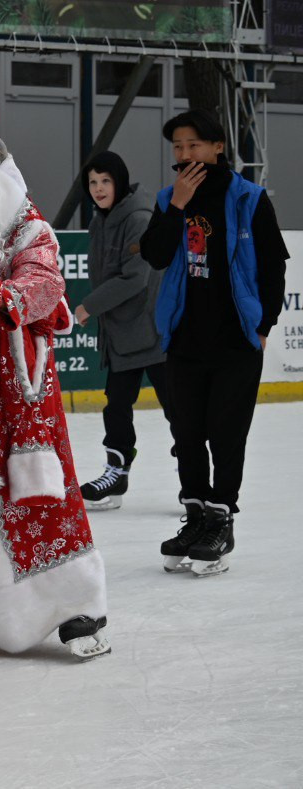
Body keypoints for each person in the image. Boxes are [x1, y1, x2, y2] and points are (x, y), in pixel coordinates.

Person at [0, 80, 110, 661]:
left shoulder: (19, 219)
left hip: (12, 393)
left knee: (31, 503)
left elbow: (45, 284)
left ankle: (73, 605)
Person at [139, 109, 289, 577]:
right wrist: (178, 205)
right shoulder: (171, 197)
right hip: (185, 338)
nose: (184, 155)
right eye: (178, 148)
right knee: (186, 435)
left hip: (235, 341)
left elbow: (273, 266)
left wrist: (263, 324)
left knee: (226, 434)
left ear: (217, 146)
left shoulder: (248, 198)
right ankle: (196, 516)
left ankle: (221, 517)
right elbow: (155, 254)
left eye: (193, 145)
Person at [75, 151, 172, 510]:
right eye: (92, 183)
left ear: (119, 181)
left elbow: (136, 276)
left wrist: (89, 306)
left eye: (105, 181)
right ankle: (116, 474)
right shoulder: (101, 219)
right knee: (116, 406)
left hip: (152, 331)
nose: (98, 189)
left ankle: (196, 476)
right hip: (120, 332)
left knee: (176, 409)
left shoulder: (138, 217)